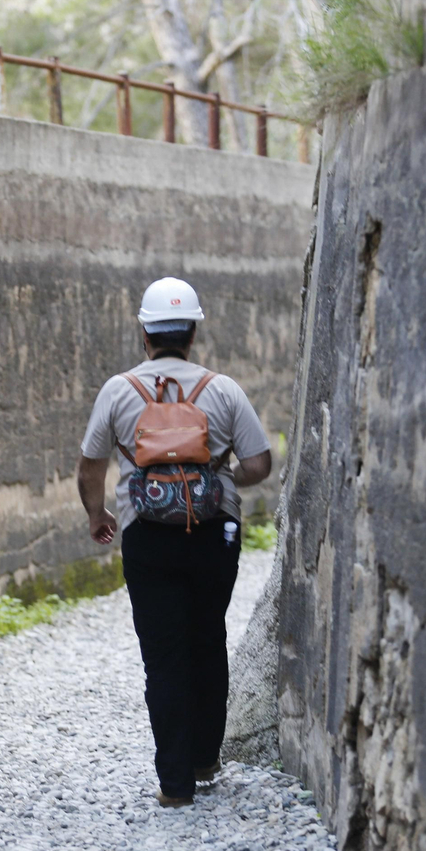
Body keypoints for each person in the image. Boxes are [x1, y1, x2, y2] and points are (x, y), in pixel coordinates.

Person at [77, 278, 272, 807]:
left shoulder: (118, 391)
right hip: (215, 533)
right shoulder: (224, 389)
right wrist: (222, 475)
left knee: (162, 656)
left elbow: (90, 464)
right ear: (192, 334)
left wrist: (98, 514)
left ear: (145, 333)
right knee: (207, 637)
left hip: (147, 537)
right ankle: (206, 756)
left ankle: (175, 786)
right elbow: (259, 463)